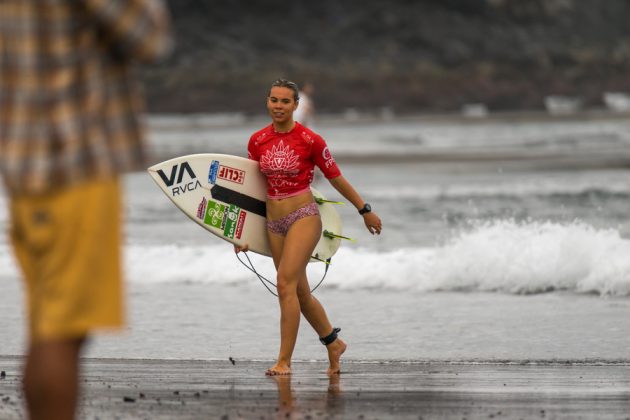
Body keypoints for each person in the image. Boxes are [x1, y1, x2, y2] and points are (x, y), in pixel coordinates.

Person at [0, 2, 172, 419]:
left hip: (23, 160)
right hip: (74, 159)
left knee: (48, 328)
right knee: (62, 333)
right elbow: (149, 36)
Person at [241, 79, 382, 376]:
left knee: (284, 285)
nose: (278, 106)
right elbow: (251, 188)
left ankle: (284, 361)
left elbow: (336, 178)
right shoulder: (256, 141)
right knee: (299, 293)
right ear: (267, 101)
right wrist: (239, 233)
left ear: (296, 105)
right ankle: (333, 342)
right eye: (274, 100)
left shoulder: (310, 140)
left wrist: (364, 210)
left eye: (285, 101)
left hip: (303, 215)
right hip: (273, 221)